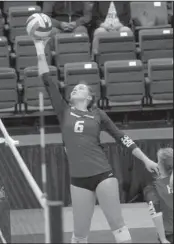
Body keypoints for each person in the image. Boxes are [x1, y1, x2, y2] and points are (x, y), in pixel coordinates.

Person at [33, 36, 159, 243]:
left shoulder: (98, 114)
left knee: (118, 226)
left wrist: (146, 160)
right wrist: (39, 47)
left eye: (81, 88)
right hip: (78, 180)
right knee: (80, 234)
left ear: (90, 98)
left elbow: (122, 138)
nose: (75, 89)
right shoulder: (64, 111)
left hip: (103, 174)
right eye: (74, 88)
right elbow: (47, 79)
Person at [143, 148, 173, 244]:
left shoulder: (153, 187)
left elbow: (156, 212)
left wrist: (163, 239)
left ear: (159, 165)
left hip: (169, 234)